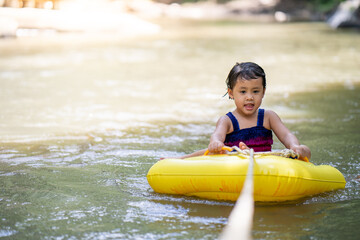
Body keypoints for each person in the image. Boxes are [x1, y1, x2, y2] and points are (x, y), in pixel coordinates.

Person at [176, 62, 311, 161]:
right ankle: (182, 159)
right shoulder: (227, 121)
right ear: (231, 93)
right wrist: (216, 143)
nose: (249, 97)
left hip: (263, 161)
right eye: (243, 91)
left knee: (305, 150)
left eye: (256, 91)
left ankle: (299, 150)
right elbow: (217, 135)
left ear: (263, 92)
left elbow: (286, 135)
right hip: (233, 161)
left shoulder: (268, 117)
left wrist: (294, 146)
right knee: (210, 152)